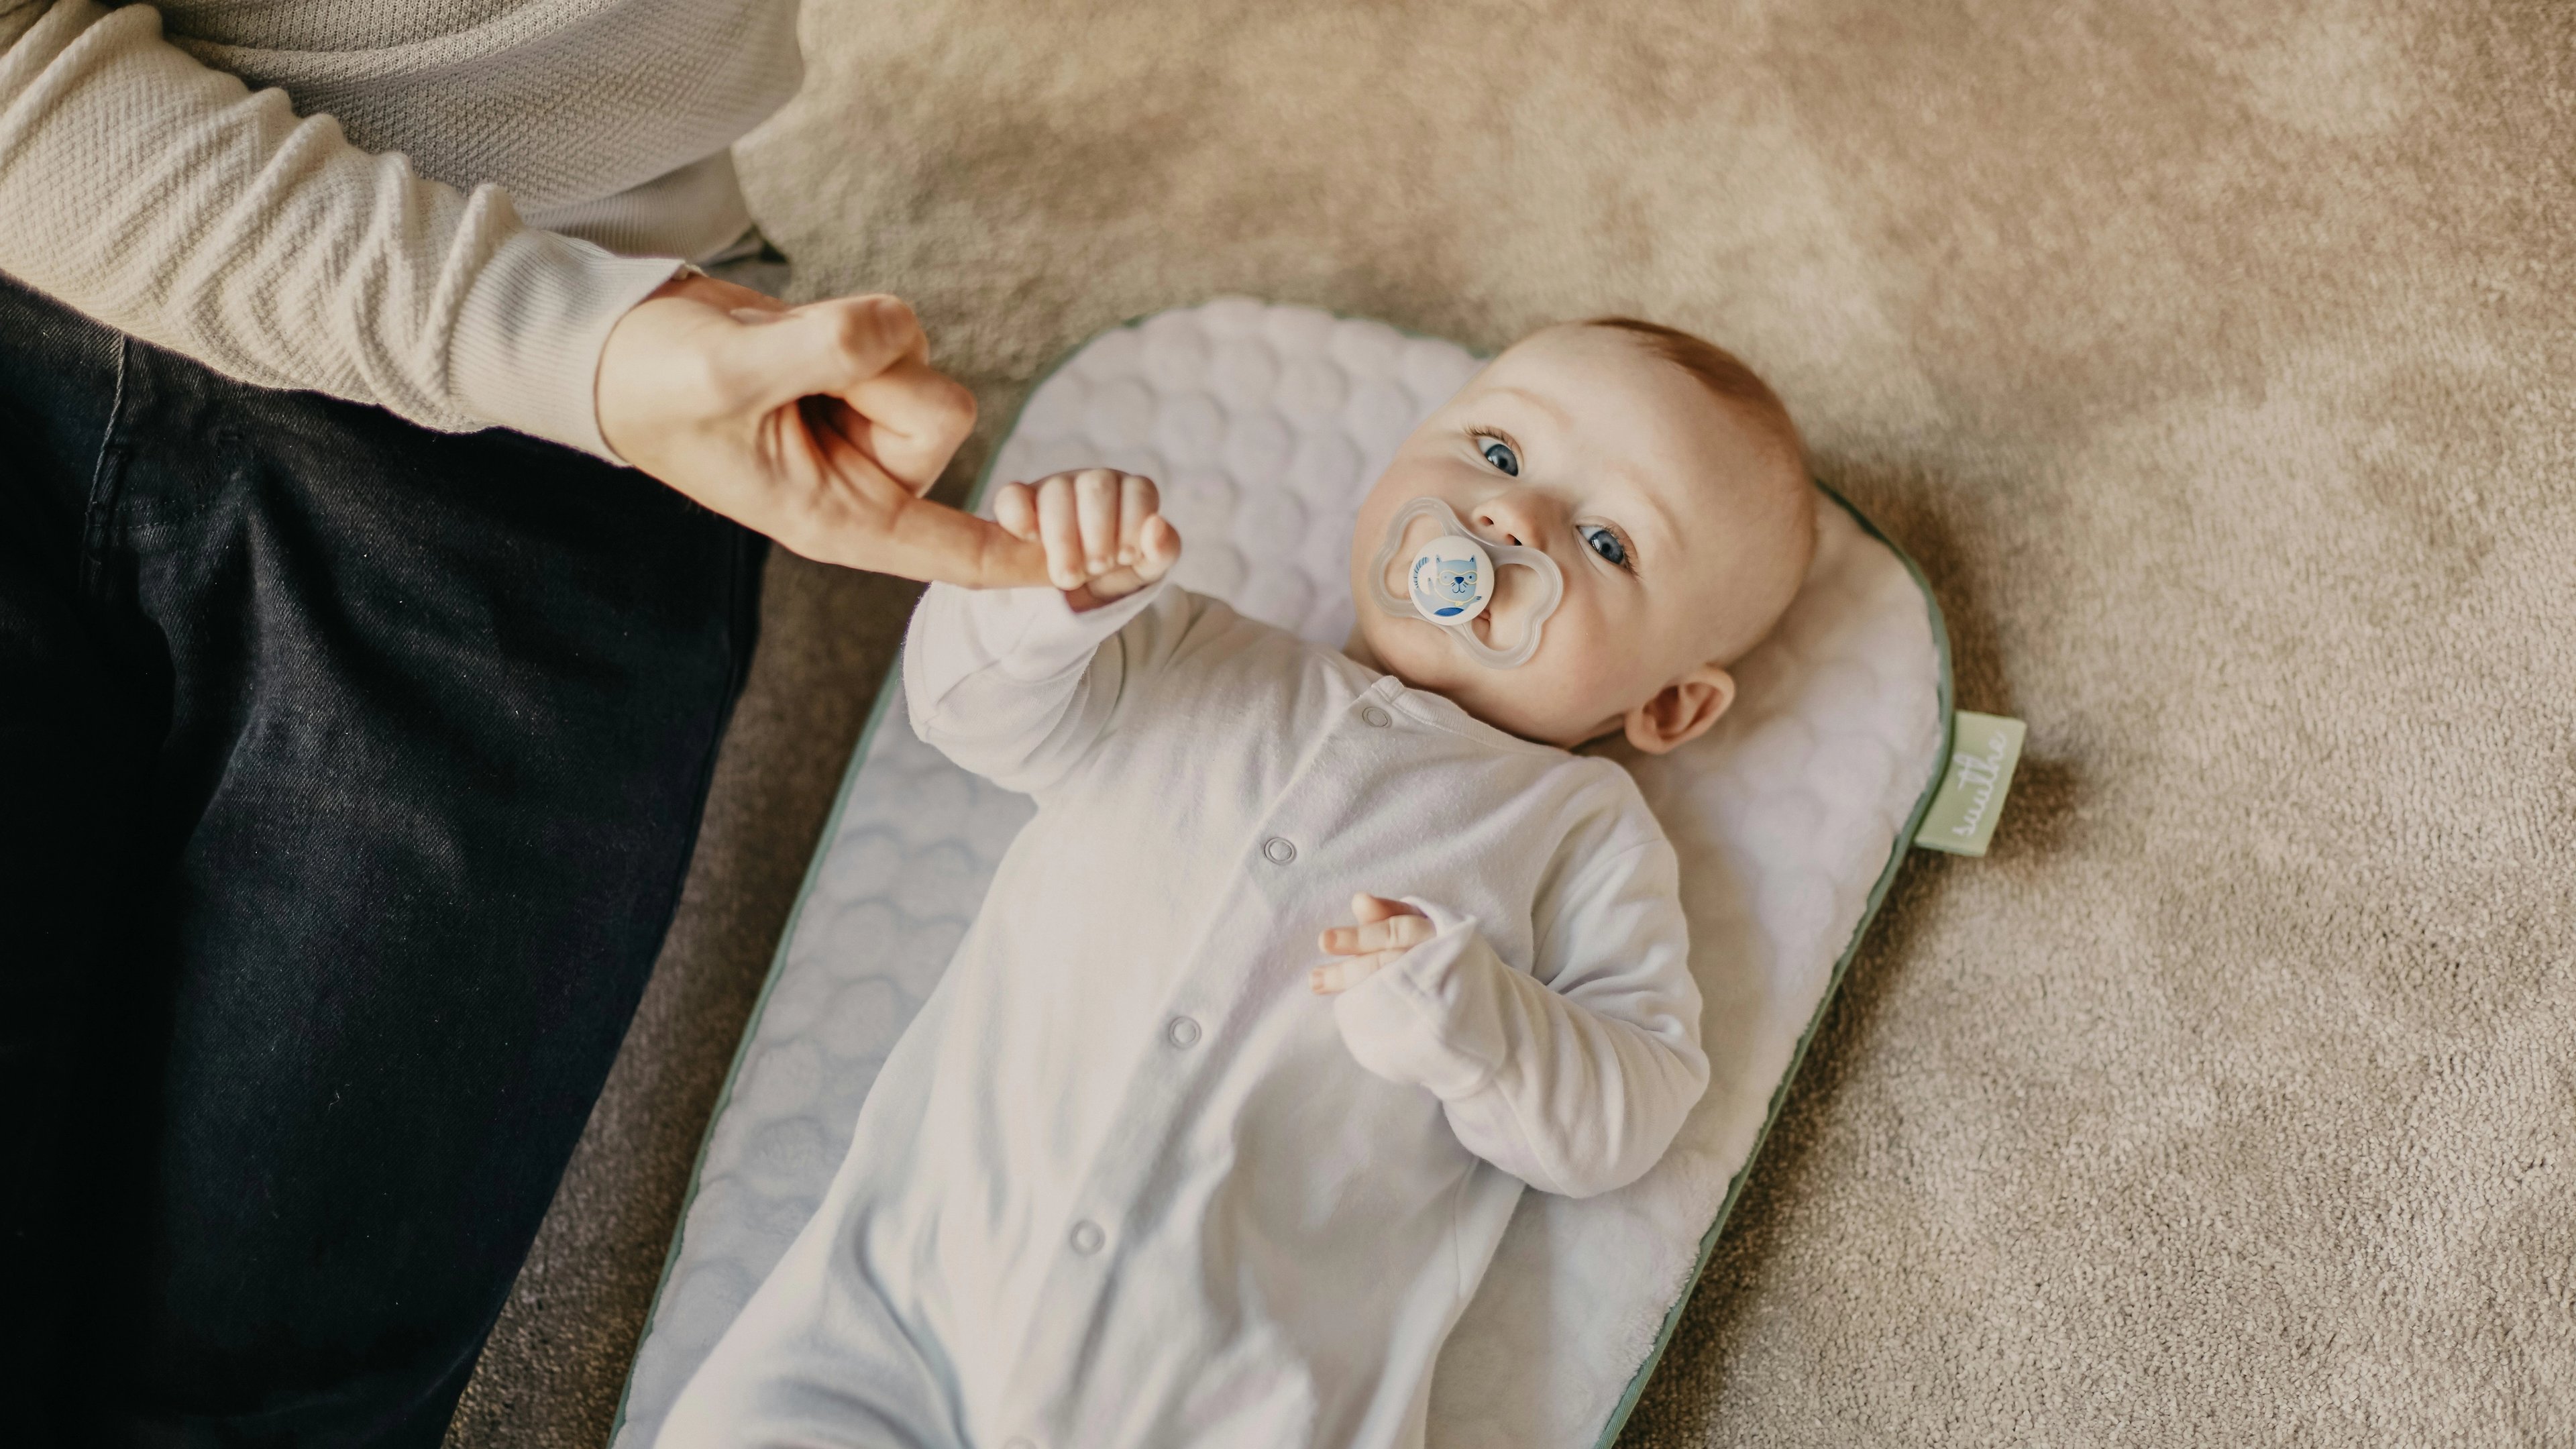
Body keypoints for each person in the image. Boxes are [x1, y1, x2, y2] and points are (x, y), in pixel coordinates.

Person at [0, 1, 1046, 1442]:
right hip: (73, 268)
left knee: (268, 1389)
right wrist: (567, 344)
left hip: (568, 361)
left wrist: (595, 355)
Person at [653, 320, 1818, 1448]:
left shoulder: (1579, 832)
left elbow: (1632, 1109)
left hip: (1233, 1392)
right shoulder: (1190, 652)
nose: (1510, 516)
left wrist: (1480, 1023)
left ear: (1668, 705)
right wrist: (1043, 595)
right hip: (902, 1308)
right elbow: (965, 712)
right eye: (1498, 455)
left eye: (1608, 543)